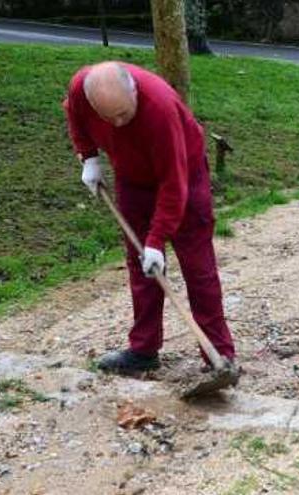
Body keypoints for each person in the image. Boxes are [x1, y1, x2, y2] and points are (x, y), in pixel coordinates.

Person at [62, 61, 236, 374]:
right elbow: (74, 114)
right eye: (108, 117)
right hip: (132, 178)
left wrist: (156, 240)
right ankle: (143, 350)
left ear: (134, 92)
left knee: (198, 268)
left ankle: (219, 355)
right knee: (141, 266)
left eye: (123, 114)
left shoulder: (160, 108)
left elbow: (174, 185)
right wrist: (89, 157)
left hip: (184, 176)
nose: (117, 123)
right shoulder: (80, 89)